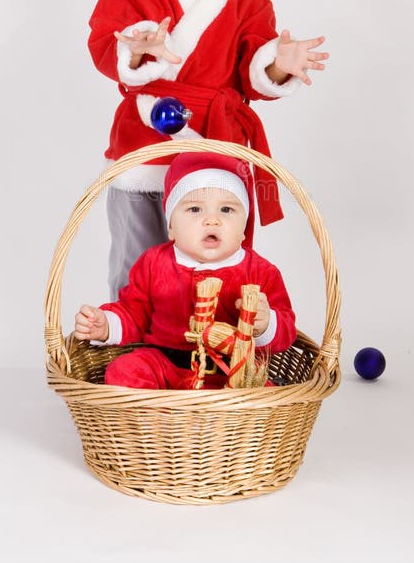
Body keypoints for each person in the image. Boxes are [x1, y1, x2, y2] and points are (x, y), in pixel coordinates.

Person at [88, 0, 328, 297]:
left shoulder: (251, 5)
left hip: (213, 152)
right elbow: (107, 45)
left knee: (211, 263)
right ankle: (129, 339)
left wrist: (278, 63)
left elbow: (253, 72)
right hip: (146, 143)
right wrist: (138, 49)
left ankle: (207, 349)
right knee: (137, 261)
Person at [73, 153, 298, 390]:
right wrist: (106, 325)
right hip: (165, 364)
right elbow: (134, 312)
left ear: (244, 228)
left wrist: (266, 324)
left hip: (232, 372)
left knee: (265, 394)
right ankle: (163, 419)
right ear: (171, 227)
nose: (212, 220)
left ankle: (222, 419)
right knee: (124, 371)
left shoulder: (260, 271)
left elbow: (286, 329)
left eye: (226, 210)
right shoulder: (154, 262)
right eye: (194, 209)